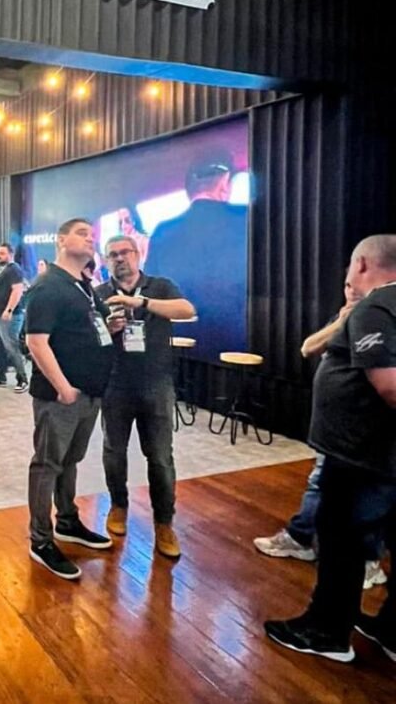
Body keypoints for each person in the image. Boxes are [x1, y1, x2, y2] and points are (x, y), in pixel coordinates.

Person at [265, 235, 396, 664]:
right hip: (380, 454)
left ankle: (326, 632)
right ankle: (391, 630)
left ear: (362, 264)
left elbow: (389, 386)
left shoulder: (376, 307)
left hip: (359, 454)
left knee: (342, 542)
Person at [254, 281, 386, 590]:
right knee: (320, 481)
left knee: (373, 494)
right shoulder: (344, 317)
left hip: (371, 429)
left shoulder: (382, 318)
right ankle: (301, 537)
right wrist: (344, 320)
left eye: (358, 286)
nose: (351, 291)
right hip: (336, 428)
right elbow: (308, 347)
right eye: (347, 286)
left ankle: (369, 561)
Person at [24, 218, 125, 581]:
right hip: (61, 397)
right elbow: (36, 342)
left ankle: (67, 521)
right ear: (61, 240)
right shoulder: (48, 285)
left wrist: (108, 328)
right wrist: (63, 387)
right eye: (82, 233)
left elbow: (81, 330)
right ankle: (41, 540)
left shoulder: (83, 285)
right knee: (47, 464)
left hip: (90, 392)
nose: (90, 238)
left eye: (91, 234)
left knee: (70, 460)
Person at [95, 235, 196, 559]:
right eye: (112, 255)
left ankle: (164, 523)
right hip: (115, 385)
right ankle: (118, 506)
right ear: (106, 261)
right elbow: (89, 337)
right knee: (114, 451)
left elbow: (186, 310)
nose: (119, 259)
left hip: (156, 384)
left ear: (137, 255)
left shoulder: (160, 286)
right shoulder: (100, 293)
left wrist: (141, 303)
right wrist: (107, 329)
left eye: (124, 252)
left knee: (161, 458)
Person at [143, 150, 247, 361]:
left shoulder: (163, 231)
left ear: (189, 190)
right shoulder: (247, 218)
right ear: (224, 182)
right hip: (237, 344)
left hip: (177, 343)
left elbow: (151, 290)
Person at [0, 242, 28, 393]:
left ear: (10, 255)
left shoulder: (14, 269)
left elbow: (17, 290)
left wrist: (9, 310)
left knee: (11, 346)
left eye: (2, 253)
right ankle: (1, 376)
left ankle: (22, 379)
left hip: (9, 314)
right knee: (0, 346)